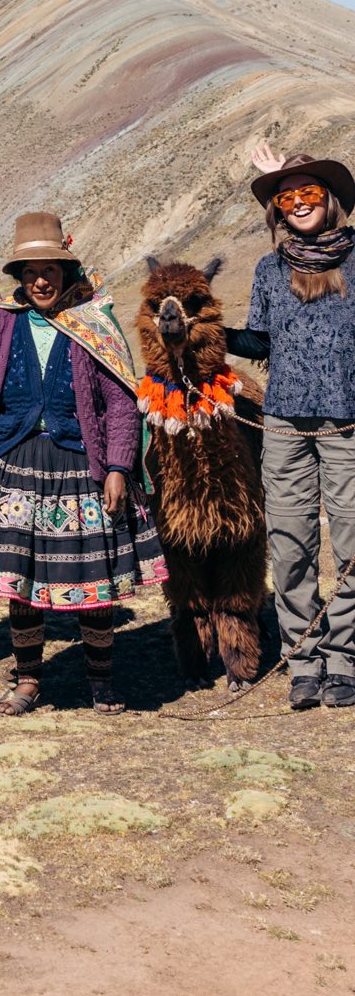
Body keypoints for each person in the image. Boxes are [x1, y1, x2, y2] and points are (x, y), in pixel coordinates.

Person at [0, 211, 165, 714]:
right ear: (19, 278)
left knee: (92, 577)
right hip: (14, 461)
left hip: (79, 463)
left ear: (65, 272)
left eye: (49, 270)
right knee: (21, 579)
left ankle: (101, 679)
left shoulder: (94, 323)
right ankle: (27, 680)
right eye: (30, 272)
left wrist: (117, 466)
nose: (40, 281)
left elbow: (118, 403)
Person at [227, 142, 355, 710]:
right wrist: (210, 333)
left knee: (351, 547)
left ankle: (345, 659)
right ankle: (303, 657)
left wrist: (288, 166)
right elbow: (259, 341)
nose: (299, 203)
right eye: (287, 197)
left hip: (347, 426)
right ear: (276, 211)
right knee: (290, 543)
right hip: (282, 428)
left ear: (332, 201)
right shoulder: (270, 269)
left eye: (309, 193)